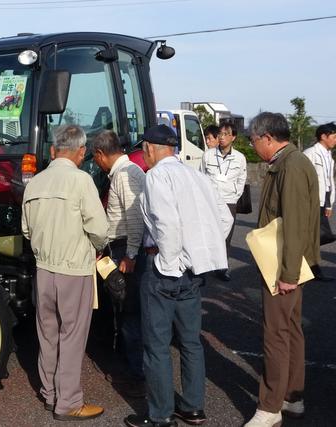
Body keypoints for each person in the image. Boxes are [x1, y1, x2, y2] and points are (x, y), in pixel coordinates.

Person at [124, 124, 232, 427]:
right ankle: (193, 407)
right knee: (190, 342)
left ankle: (160, 414)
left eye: (144, 148)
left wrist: (167, 261)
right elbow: (224, 218)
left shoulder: (156, 176)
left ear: (149, 148)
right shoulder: (198, 176)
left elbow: (167, 224)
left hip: (164, 270)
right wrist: (197, 251)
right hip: (194, 271)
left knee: (157, 345)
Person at [22, 124, 108, 421]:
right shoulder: (81, 181)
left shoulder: (35, 183)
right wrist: (98, 246)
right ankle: (69, 402)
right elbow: (99, 230)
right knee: (72, 335)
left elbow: (25, 228)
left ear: (52, 149)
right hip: (73, 269)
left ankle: (50, 394)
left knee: (47, 333)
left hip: (42, 269)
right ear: (81, 152)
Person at [243, 113, 320, 427]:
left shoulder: (290, 165)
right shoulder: (292, 162)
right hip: (288, 264)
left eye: (252, 139)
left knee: (275, 334)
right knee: (290, 331)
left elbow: (295, 223)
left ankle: (270, 405)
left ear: (266, 137)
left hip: (283, 266)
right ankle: (291, 397)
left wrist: (287, 274)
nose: (252, 144)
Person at [92, 130, 146, 397]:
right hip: (123, 246)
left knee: (129, 312)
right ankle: (131, 367)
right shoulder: (127, 172)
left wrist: (130, 255)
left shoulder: (126, 174)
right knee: (125, 310)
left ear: (102, 154)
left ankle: (136, 373)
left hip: (126, 248)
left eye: (95, 158)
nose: (97, 164)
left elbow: (135, 218)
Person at [200, 121, 247, 281]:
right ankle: (204, 266)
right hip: (210, 200)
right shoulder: (208, 155)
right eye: (220, 134)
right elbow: (202, 176)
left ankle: (222, 267)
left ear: (233, 137)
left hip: (229, 201)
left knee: (226, 236)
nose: (222, 137)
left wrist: (234, 196)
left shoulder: (240, 158)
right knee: (207, 233)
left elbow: (242, 179)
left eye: (226, 134)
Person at [302, 122, 336, 281]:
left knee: (320, 235)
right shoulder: (310, 153)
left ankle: (308, 264)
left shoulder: (329, 155)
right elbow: (302, 178)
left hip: (324, 198)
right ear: (323, 136)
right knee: (318, 235)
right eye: (334, 136)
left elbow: (330, 182)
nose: (335, 140)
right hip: (312, 201)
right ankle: (312, 268)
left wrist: (329, 204)